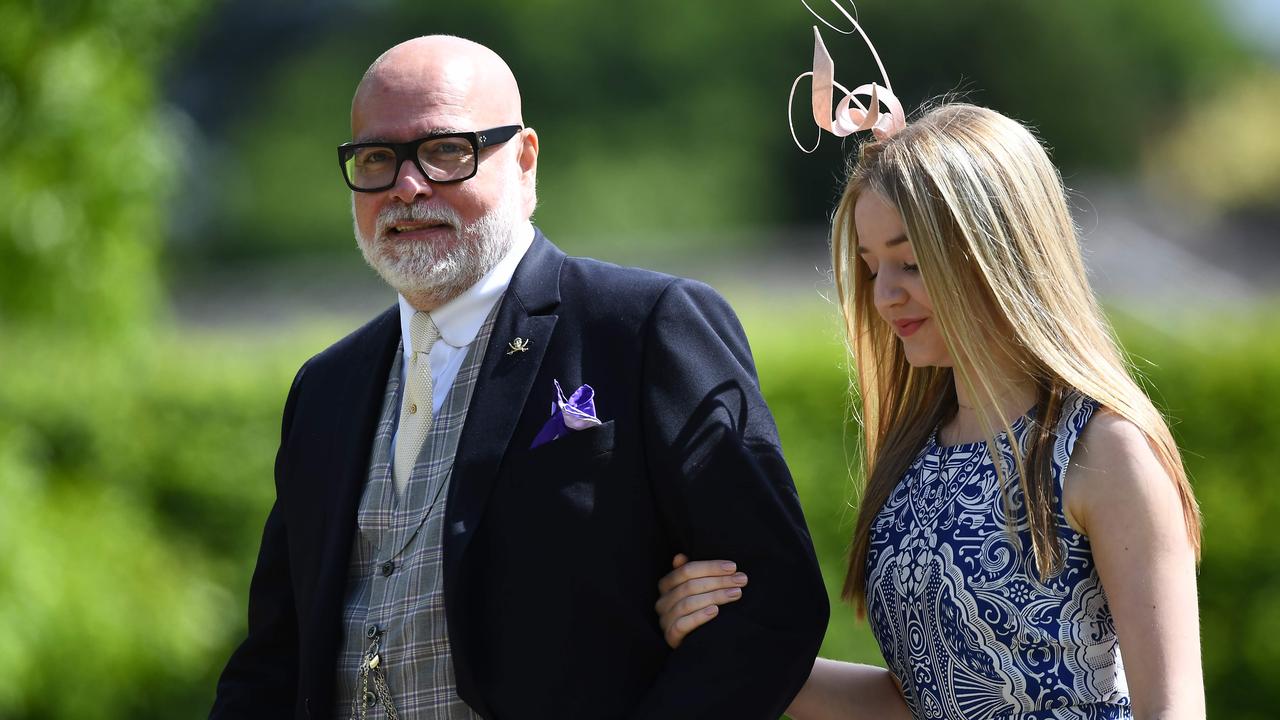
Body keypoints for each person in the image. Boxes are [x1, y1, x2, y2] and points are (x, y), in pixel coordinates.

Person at [209, 35, 829, 720]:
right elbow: (274, 659)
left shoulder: (645, 326)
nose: (407, 187)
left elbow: (772, 606)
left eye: (446, 151)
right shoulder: (325, 388)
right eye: (378, 158)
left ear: (526, 162)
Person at [654, 103, 1206, 719]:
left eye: (910, 263)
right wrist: (725, 641)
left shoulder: (1106, 449)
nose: (884, 296)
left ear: (999, 249)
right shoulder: (916, 453)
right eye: (870, 266)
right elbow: (915, 703)